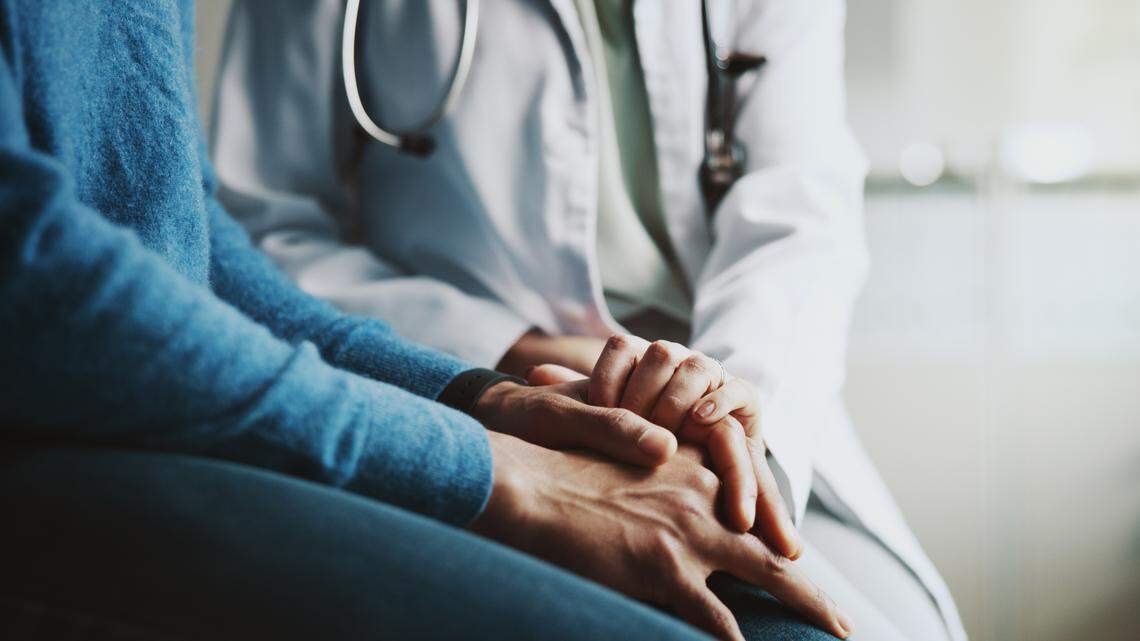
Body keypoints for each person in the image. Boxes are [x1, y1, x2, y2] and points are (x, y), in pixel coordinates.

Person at [0, 1, 854, 640]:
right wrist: (506, 469)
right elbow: (39, 280)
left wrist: (483, 400)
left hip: (706, 399)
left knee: (783, 621)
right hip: (68, 450)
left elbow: (186, 237)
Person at [212, 1, 968, 640]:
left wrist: (727, 413)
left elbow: (801, 214)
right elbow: (263, 229)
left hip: (738, 397)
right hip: (469, 394)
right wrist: (517, 352)